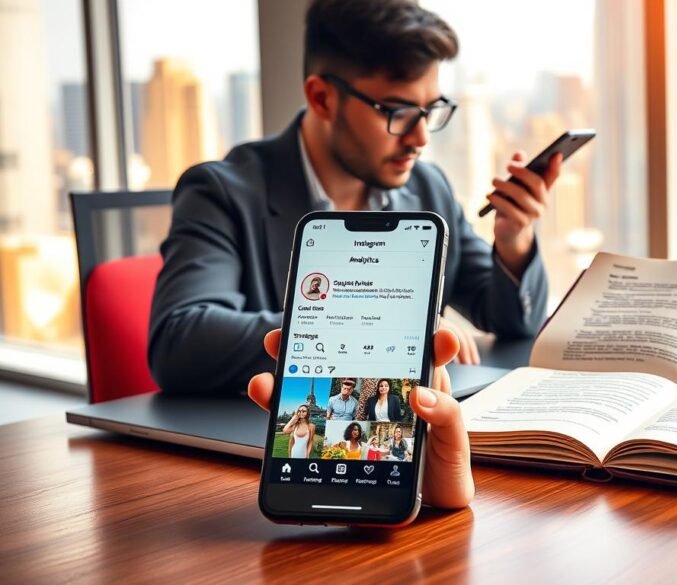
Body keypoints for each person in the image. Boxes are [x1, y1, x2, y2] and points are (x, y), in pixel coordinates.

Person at [148, 0, 560, 395]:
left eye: (430, 110)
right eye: (397, 112)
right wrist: (388, 330)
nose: (419, 138)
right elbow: (180, 341)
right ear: (322, 98)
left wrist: (513, 240)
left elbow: (511, 321)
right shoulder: (221, 193)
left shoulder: (427, 189)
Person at [249, 327, 473, 509]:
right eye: (345, 383)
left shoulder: (377, 405)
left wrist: (422, 473)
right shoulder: (350, 404)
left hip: (398, 490)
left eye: (349, 384)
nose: (347, 386)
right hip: (309, 479)